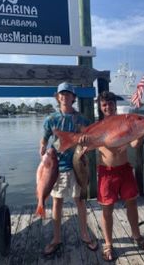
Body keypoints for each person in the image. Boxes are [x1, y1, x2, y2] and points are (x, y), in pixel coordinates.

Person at [39, 81, 98, 256]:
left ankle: (85, 235)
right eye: (61, 94)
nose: (65, 97)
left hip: (77, 166)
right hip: (56, 167)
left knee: (80, 200)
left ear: (73, 98)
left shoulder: (82, 119)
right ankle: (56, 238)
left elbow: (90, 141)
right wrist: (42, 146)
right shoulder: (51, 119)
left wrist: (86, 141)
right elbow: (44, 139)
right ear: (58, 97)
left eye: (68, 94)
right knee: (57, 201)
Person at [96, 91, 144, 261]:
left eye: (110, 103)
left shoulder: (123, 123)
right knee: (107, 209)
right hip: (106, 172)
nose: (108, 107)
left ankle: (136, 236)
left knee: (132, 204)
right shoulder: (97, 126)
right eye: (104, 104)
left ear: (115, 104)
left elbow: (135, 144)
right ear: (100, 106)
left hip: (125, 169)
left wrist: (141, 133)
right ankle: (108, 243)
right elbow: (89, 144)